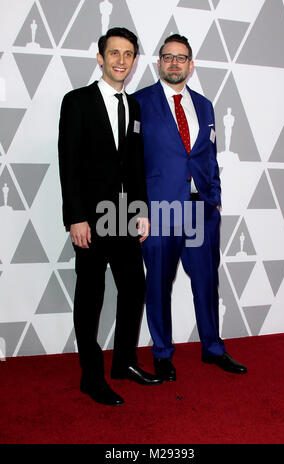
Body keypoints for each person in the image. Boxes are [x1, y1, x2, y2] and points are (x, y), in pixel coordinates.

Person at [133, 34, 247, 381]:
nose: (174, 63)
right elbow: (132, 163)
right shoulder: (139, 102)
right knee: (158, 284)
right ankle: (163, 354)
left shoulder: (205, 105)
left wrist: (215, 197)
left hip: (201, 211)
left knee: (206, 283)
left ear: (191, 64)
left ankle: (213, 348)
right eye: (168, 57)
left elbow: (208, 156)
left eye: (181, 58)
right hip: (159, 211)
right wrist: (140, 211)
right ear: (158, 62)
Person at [58, 27, 162, 406]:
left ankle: (124, 363)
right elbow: (68, 163)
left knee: (134, 286)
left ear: (134, 61)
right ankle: (91, 376)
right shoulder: (77, 102)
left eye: (128, 54)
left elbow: (134, 164)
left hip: (123, 216)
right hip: (90, 218)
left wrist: (141, 211)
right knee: (91, 295)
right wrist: (75, 218)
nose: (121, 60)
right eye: (114, 53)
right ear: (100, 58)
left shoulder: (133, 106)